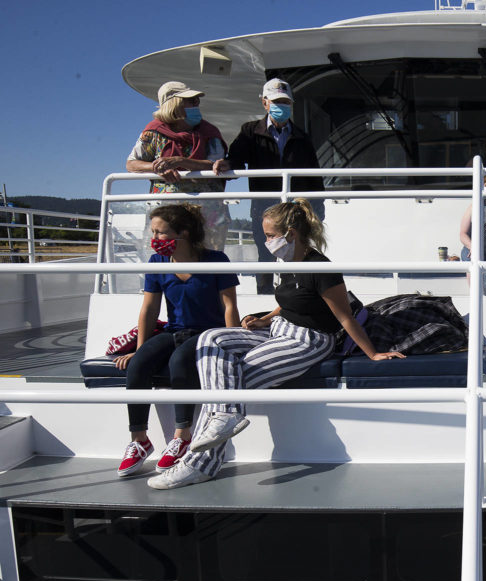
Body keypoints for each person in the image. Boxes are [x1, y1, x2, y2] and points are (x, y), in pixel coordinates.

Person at [148, 199, 405, 490]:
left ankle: (199, 465)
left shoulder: (320, 268)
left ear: (291, 234)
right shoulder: (286, 261)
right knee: (210, 339)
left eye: (270, 236)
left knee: (228, 383)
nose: (267, 241)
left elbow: (344, 317)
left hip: (308, 340)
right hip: (278, 331)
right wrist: (266, 319)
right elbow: (290, 302)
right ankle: (227, 416)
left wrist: (373, 354)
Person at [115, 204, 240, 478]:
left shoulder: (216, 260)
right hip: (175, 330)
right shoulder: (157, 263)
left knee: (179, 361)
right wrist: (139, 349)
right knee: (139, 365)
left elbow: (229, 305)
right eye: (154, 233)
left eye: (161, 233)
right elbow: (149, 310)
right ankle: (139, 441)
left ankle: (182, 436)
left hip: (208, 333)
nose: (155, 239)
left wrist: (233, 343)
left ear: (183, 233)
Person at [216, 78, 325, 294]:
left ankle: (292, 294)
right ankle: (264, 294)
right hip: (264, 206)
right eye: (275, 101)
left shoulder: (301, 137)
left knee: (296, 251)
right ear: (264, 103)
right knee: (265, 250)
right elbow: (237, 157)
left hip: (295, 207)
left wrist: (318, 207)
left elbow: (314, 174)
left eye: (285, 102)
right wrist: (227, 164)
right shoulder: (251, 132)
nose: (280, 106)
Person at [126, 81, 231, 249]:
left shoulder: (209, 132)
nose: (197, 104)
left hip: (206, 209)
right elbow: (131, 164)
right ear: (173, 104)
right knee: (164, 254)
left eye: (197, 100)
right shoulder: (153, 132)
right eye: (190, 100)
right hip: (166, 211)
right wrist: (157, 167)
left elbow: (215, 164)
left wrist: (181, 161)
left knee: (208, 255)